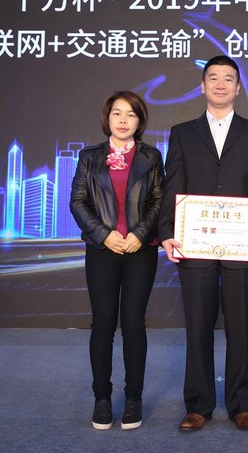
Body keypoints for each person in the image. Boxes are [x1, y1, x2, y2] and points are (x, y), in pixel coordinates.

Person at [158, 55, 248, 432]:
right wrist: (166, 230)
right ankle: (198, 405)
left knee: (240, 327)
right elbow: (172, 183)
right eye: (213, 77)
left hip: (241, 244)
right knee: (197, 326)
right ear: (202, 86)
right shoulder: (182, 133)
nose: (220, 84)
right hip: (194, 242)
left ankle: (241, 405)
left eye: (228, 78)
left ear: (238, 88)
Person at [70, 90, 164, 431]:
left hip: (141, 250)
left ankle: (134, 398)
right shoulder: (89, 157)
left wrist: (139, 233)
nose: (123, 120)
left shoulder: (151, 156)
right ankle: (102, 399)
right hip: (102, 250)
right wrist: (104, 235)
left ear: (140, 121)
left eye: (131, 115)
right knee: (103, 324)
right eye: (117, 113)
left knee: (134, 324)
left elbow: (159, 200)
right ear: (107, 118)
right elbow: (78, 201)